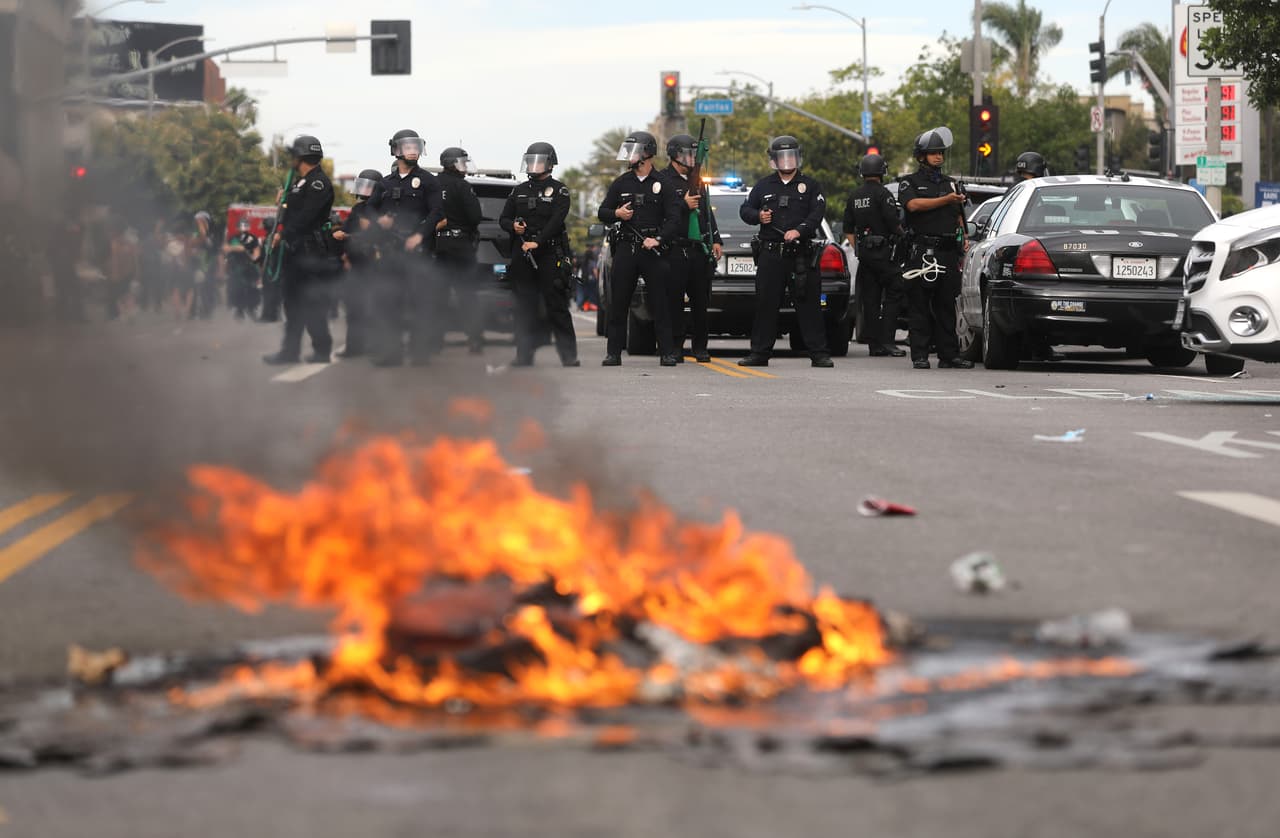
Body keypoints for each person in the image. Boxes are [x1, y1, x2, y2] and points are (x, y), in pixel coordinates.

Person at [738, 135, 832, 368]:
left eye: (791, 156)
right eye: (782, 157)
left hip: (801, 254)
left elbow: (817, 213)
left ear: (798, 158)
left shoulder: (810, 185)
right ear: (774, 160)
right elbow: (745, 209)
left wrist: (800, 231)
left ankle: (819, 354)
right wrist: (758, 216)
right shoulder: (763, 186)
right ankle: (759, 353)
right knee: (766, 304)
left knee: (810, 304)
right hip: (772, 253)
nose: (787, 161)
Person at [597, 131, 681, 366]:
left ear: (647, 153)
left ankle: (666, 352)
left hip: (652, 250)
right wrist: (617, 213)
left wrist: (659, 239)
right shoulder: (621, 183)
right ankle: (613, 353)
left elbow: (675, 218)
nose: (630, 157)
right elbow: (602, 212)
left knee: (660, 303)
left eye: (634, 152)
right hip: (626, 248)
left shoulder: (663, 183)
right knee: (619, 302)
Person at [897, 127, 974, 369]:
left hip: (947, 251)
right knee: (919, 304)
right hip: (922, 251)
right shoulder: (908, 182)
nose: (938, 157)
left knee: (946, 305)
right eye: (933, 153)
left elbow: (959, 216)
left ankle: (949, 355)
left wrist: (963, 234)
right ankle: (919, 355)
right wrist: (945, 200)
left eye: (941, 152)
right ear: (921, 156)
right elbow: (913, 206)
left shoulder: (952, 184)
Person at [368, 128, 445, 366]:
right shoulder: (384, 183)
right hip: (391, 253)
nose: (413, 151)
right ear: (396, 150)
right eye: (408, 146)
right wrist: (379, 221)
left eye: (416, 146)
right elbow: (369, 209)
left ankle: (420, 354)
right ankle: (391, 353)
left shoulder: (429, 181)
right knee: (389, 304)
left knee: (420, 305)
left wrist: (420, 235)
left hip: (418, 254)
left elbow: (437, 212)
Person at [499, 141, 579, 367]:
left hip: (549, 254)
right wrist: (513, 227)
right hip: (522, 253)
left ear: (550, 163)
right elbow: (503, 218)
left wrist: (538, 241)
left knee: (556, 306)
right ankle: (523, 356)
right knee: (524, 307)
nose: (534, 166)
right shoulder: (519, 190)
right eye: (531, 161)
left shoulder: (560, 190)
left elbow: (556, 221)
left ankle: (569, 356)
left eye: (539, 161)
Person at [262, 135, 338, 365]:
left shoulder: (318, 183)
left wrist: (283, 233)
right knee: (292, 303)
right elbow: (292, 213)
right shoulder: (299, 182)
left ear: (301, 156)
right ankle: (290, 351)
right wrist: (282, 205)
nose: (291, 160)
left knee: (311, 303)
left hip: (311, 253)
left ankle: (322, 349)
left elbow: (306, 217)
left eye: (293, 155)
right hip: (296, 252)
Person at [660, 133, 722, 363]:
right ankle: (676, 346)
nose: (692, 158)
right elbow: (660, 215)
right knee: (674, 301)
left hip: (697, 250)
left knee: (700, 302)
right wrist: (682, 205)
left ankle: (700, 347)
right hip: (675, 249)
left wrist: (715, 239)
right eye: (687, 154)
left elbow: (706, 212)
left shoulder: (697, 181)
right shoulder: (662, 180)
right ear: (675, 155)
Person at [843, 152, 907, 358]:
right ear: (882, 172)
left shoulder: (854, 196)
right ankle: (888, 341)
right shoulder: (884, 195)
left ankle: (874, 345)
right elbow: (893, 223)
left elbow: (848, 229)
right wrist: (904, 236)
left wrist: (859, 250)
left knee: (869, 300)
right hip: (885, 255)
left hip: (866, 257)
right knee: (895, 292)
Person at [435, 146, 486, 354]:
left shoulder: (431, 184)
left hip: (436, 246)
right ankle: (474, 339)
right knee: (467, 295)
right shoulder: (462, 186)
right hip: (460, 247)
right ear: (452, 163)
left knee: (437, 296)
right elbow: (475, 217)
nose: (464, 166)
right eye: (462, 162)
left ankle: (433, 340)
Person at [331, 169, 384, 358]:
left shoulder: (383, 211)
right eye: (363, 185)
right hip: (357, 265)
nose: (364, 191)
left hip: (377, 266)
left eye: (369, 187)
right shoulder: (358, 210)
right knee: (354, 308)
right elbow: (345, 231)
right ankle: (354, 347)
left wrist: (351, 235)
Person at [223, 217, 262, 320]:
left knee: (252, 288)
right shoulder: (232, 238)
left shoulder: (252, 238)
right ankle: (239, 309)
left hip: (249, 266)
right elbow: (226, 249)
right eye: (241, 225)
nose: (243, 228)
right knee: (236, 288)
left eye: (245, 225)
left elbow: (256, 251)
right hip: (236, 266)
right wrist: (236, 249)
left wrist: (255, 259)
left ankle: (252, 309)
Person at [189, 211, 218, 320]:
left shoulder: (212, 234)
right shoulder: (195, 233)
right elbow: (193, 243)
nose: (199, 222)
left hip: (208, 264)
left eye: (201, 220)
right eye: (198, 221)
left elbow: (210, 244)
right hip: (197, 265)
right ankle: (193, 312)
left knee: (208, 288)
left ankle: (207, 311)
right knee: (195, 288)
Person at [258, 215, 282, 322]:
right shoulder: (273, 237)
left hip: (271, 271)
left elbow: (267, 256)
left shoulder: (272, 238)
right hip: (275, 271)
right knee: (272, 293)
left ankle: (269, 315)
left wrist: (263, 270)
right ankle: (272, 314)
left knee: (269, 293)